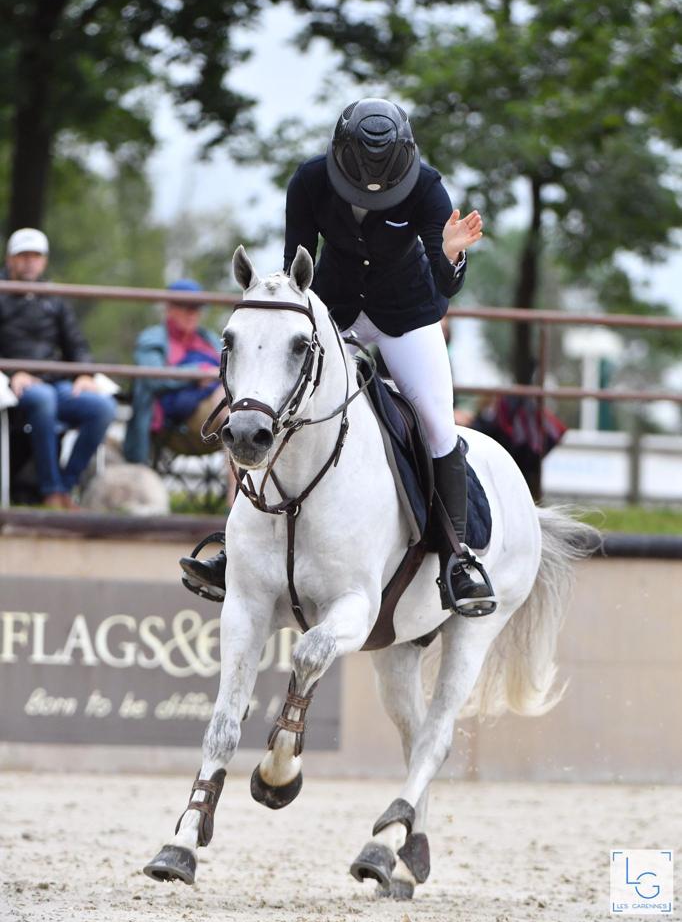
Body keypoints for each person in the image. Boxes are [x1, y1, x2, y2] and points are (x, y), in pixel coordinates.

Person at [181, 98, 496, 616]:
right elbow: (294, 268)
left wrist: (452, 251)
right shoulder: (309, 182)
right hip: (334, 312)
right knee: (273, 411)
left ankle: (457, 561)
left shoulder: (427, 187)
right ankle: (234, 550)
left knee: (439, 426)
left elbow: (446, 283)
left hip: (407, 314)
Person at [0, 227, 117, 509]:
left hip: (55, 382)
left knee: (102, 408)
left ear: (44, 261)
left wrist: (85, 374)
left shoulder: (55, 299)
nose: (30, 262)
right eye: (23, 255)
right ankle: (50, 489)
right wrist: (13, 371)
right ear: (9, 260)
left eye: (36, 256)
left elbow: (76, 343)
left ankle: (65, 485)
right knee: (43, 399)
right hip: (13, 385)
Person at [123, 280, 225, 465]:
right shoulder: (152, 338)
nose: (192, 314)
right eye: (185, 307)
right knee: (232, 405)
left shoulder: (209, 338)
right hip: (176, 424)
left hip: (215, 413)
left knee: (238, 405)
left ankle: (242, 489)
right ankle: (238, 492)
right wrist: (200, 373)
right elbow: (154, 378)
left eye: (197, 308)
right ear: (169, 308)